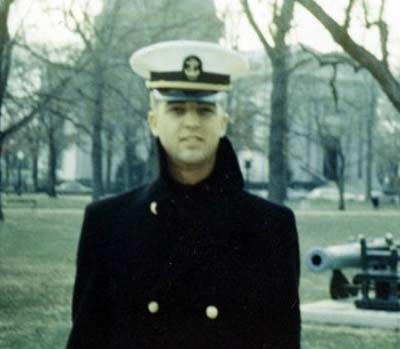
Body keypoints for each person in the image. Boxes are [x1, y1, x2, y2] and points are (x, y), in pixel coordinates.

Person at [66, 40, 301, 348]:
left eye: (205, 110)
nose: (192, 122)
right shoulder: (108, 224)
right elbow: (87, 339)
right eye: (176, 110)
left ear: (222, 123)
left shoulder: (270, 227)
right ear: (154, 122)